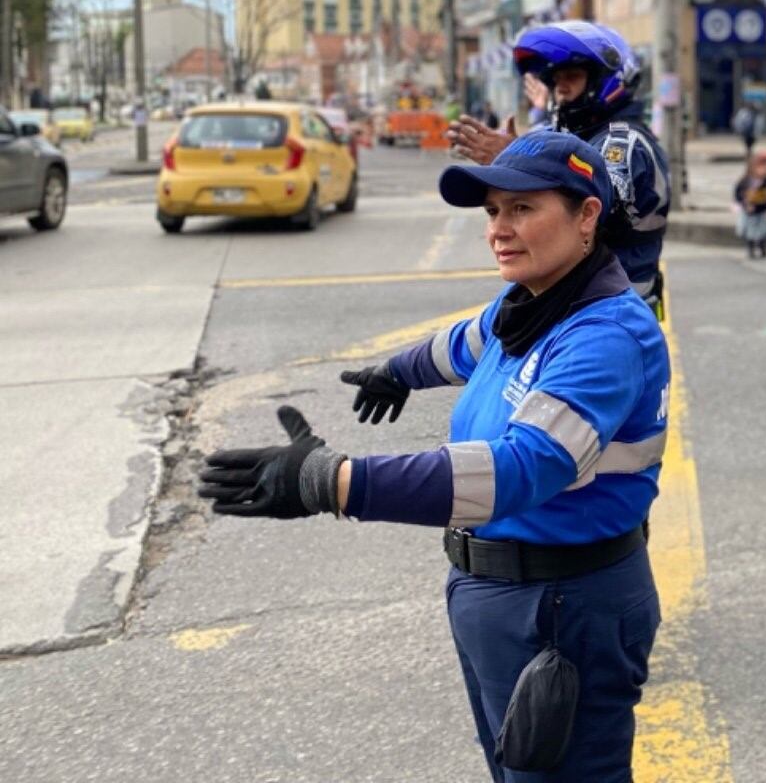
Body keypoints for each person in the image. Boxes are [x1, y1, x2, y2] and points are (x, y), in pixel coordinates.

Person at [198, 131, 669, 782]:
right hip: (502, 596)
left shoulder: (604, 334)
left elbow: (519, 470)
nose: (499, 230)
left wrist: (332, 482)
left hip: (563, 608)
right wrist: (396, 371)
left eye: (523, 209)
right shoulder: (532, 301)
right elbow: (463, 344)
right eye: (493, 212)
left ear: (587, 216)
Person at [447, 21, 671, 312]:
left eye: (572, 77)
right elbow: (563, 157)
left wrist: (517, 162)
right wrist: (525, 146)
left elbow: (595, 206)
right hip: (587, 302)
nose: (560, 88)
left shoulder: (623, 142)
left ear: (607, 80)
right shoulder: (587, 135)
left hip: (613, 312)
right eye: (555, 81)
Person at [734, 148, 766, 258]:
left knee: (763, 231)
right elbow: (738, 195)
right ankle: (750, 247)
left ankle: (762, 246)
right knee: (750, 232)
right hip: (750, 211)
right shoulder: (745, 181)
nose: (764, 170)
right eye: (761, 167)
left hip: (762, 209)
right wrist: (745, 205)